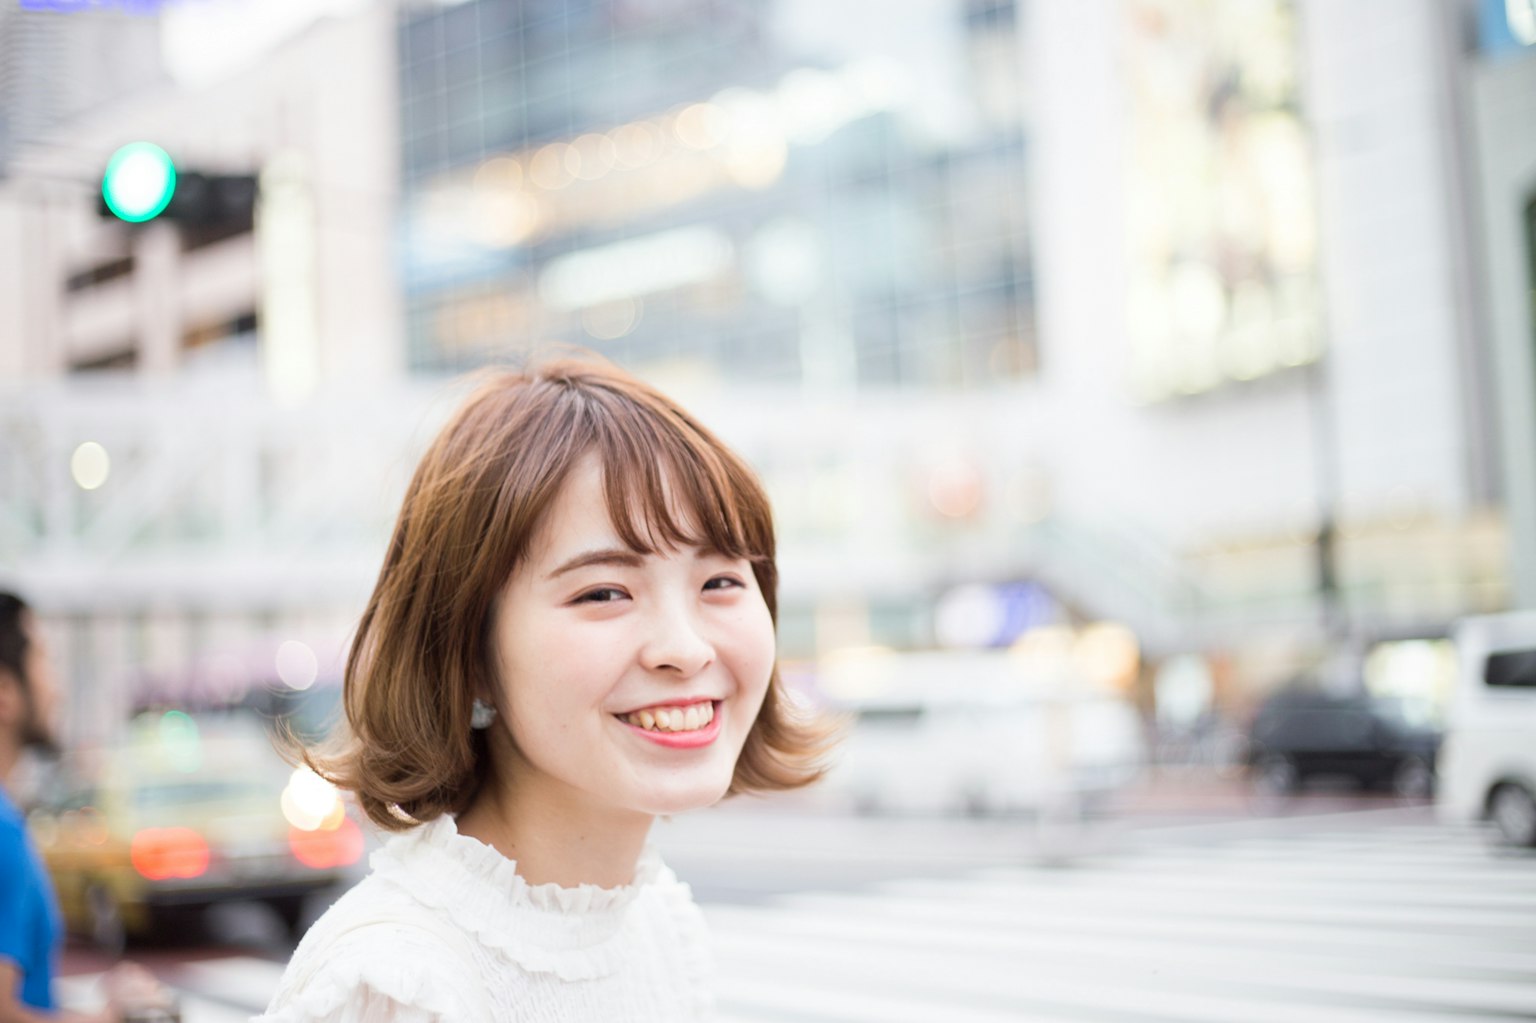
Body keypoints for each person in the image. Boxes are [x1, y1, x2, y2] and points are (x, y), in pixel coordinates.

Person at [256, 358, 836, 1022]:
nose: (685, 647)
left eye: (721, 582)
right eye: (604, 592)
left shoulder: (657, 924)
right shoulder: (400, 984)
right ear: (470, 651)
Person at [0, 592, 170, 1022]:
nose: (56, 686)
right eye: (43, 661)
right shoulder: (3, 833)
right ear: (4, 689)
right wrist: (115, 1017)